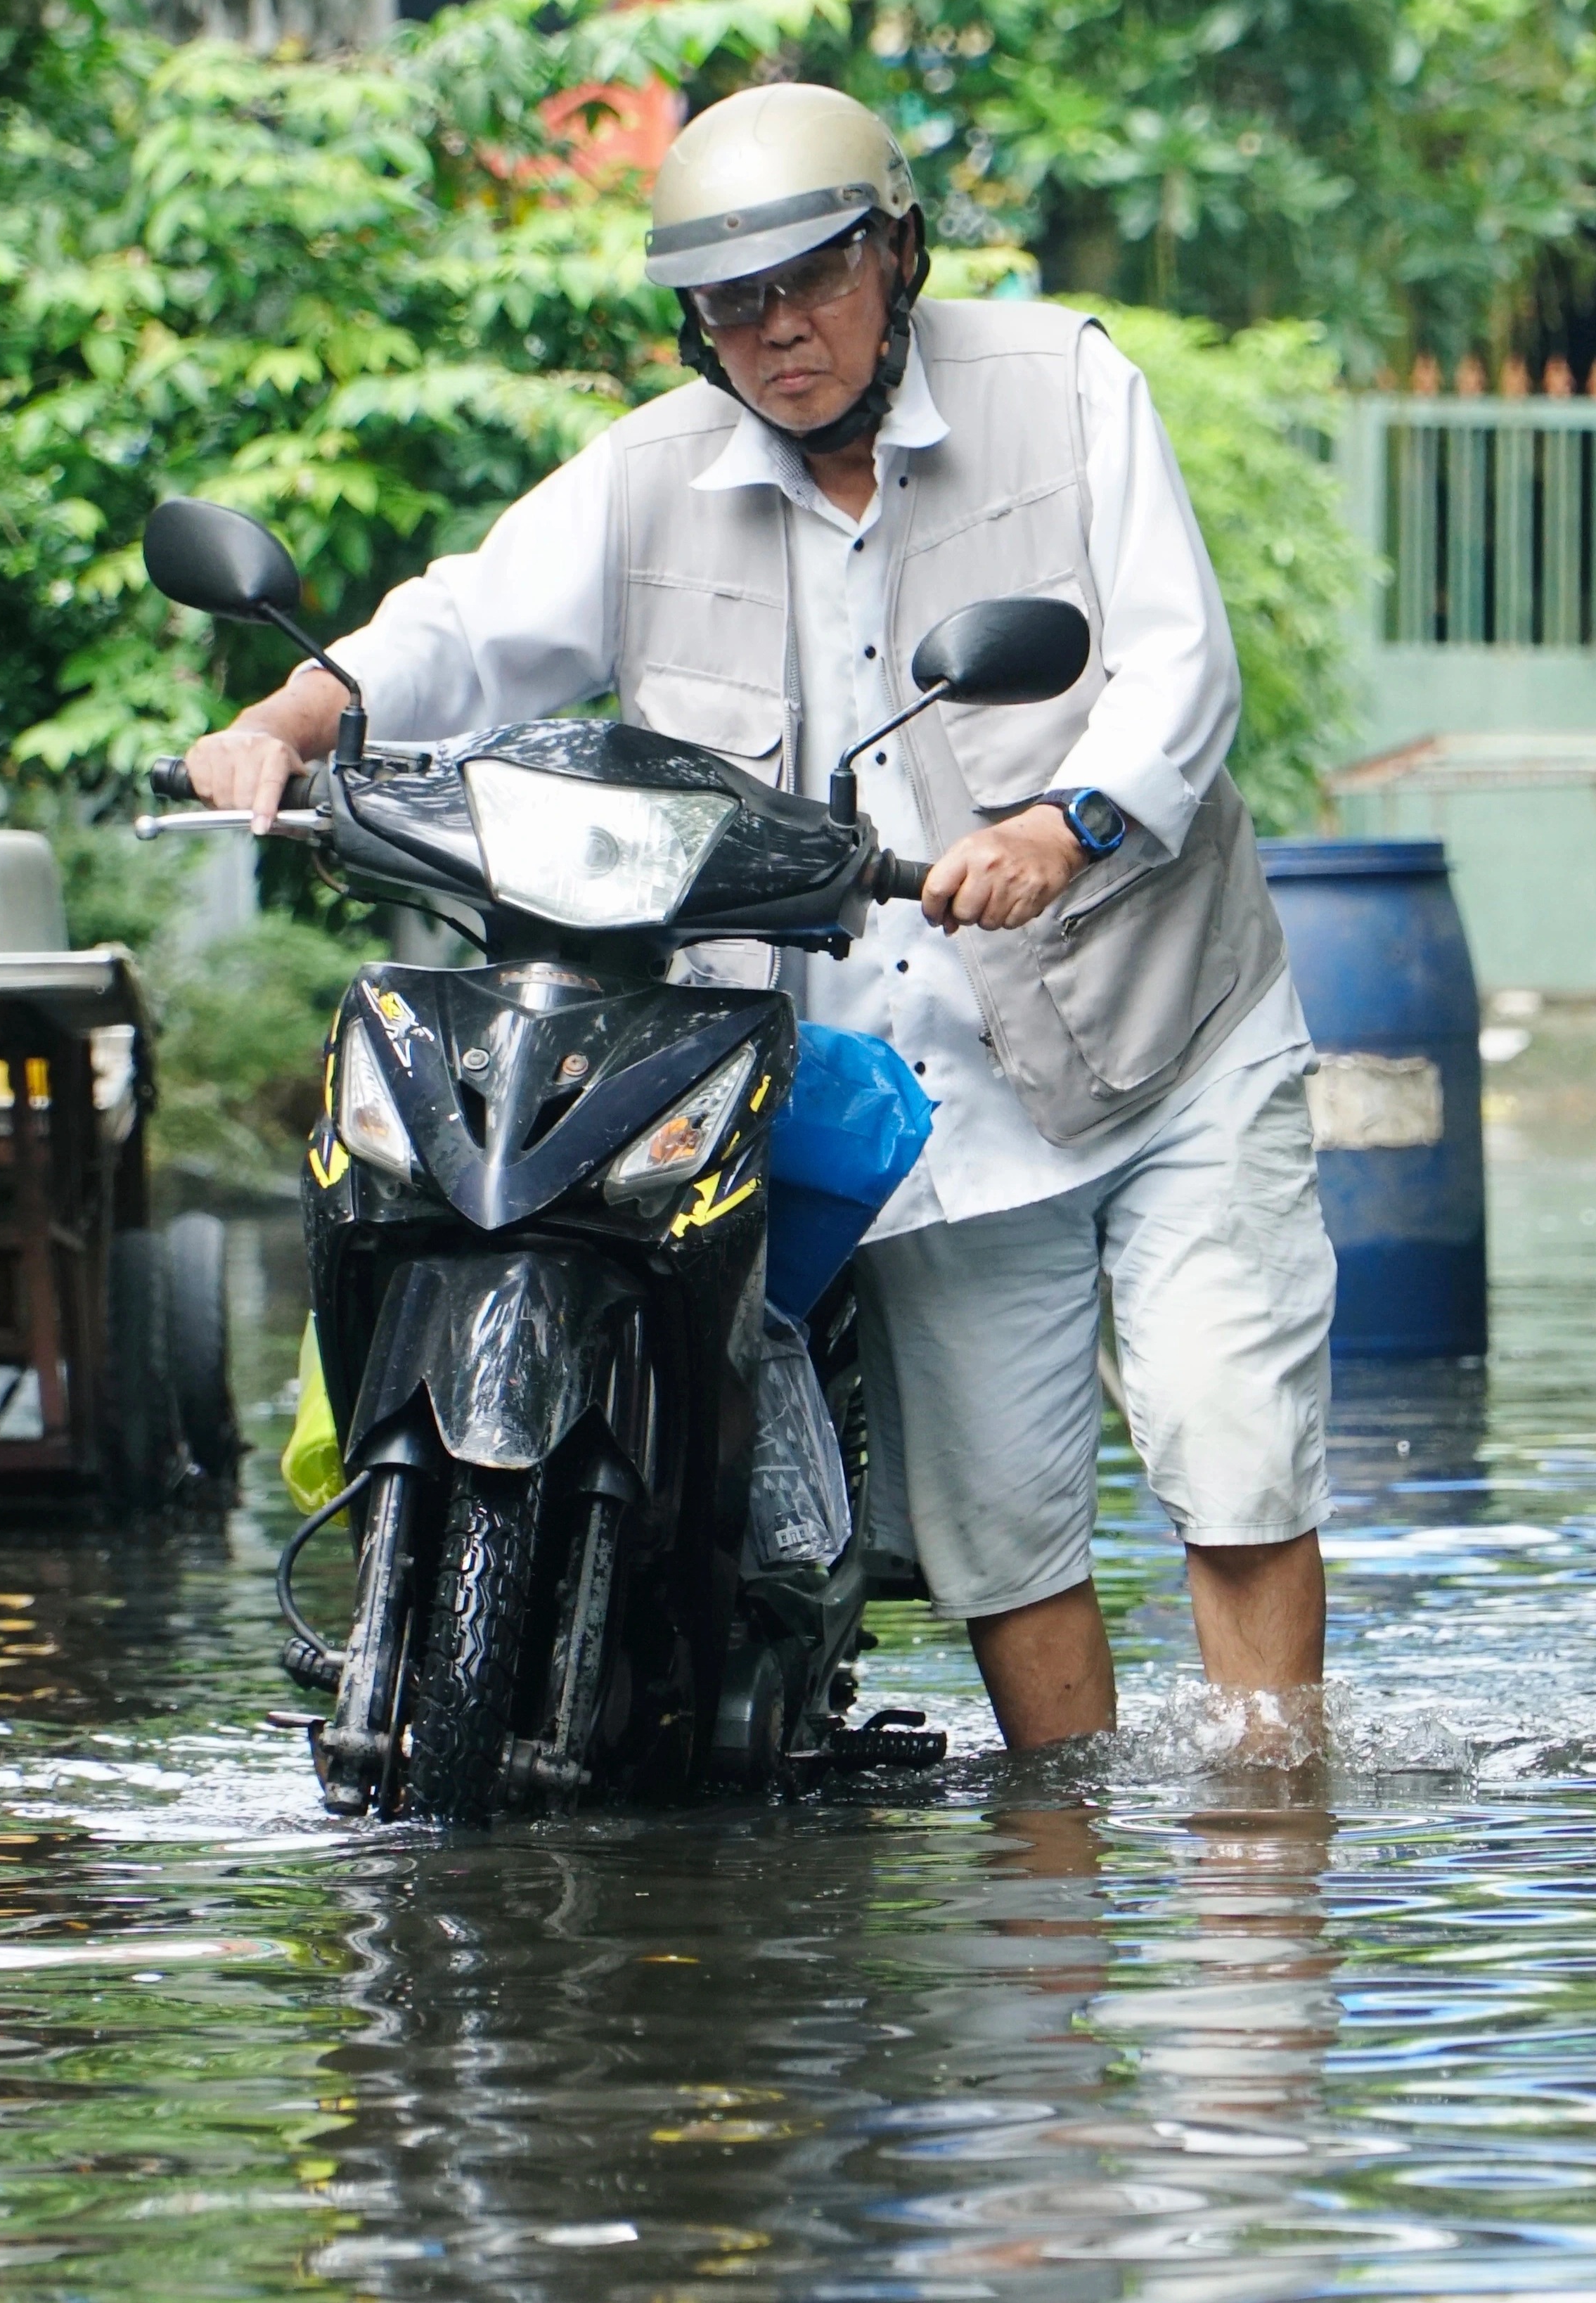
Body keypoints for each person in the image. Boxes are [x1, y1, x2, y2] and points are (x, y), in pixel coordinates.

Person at [184, 83, 1334, 1751]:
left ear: (898, 256)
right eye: (734, 303)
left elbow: (1179, 667)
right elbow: (463, 628)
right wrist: (294, 723)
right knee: (1004, 1539)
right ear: (693, 322)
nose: (778, 330)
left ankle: (1264, 1856)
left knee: (1230, 1451)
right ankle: (1056, 1872)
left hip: (1162, 1035)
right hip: (915, 1109)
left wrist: (1065, 825)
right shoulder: (648, 477)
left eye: (813, 280)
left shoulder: (1064, 383)